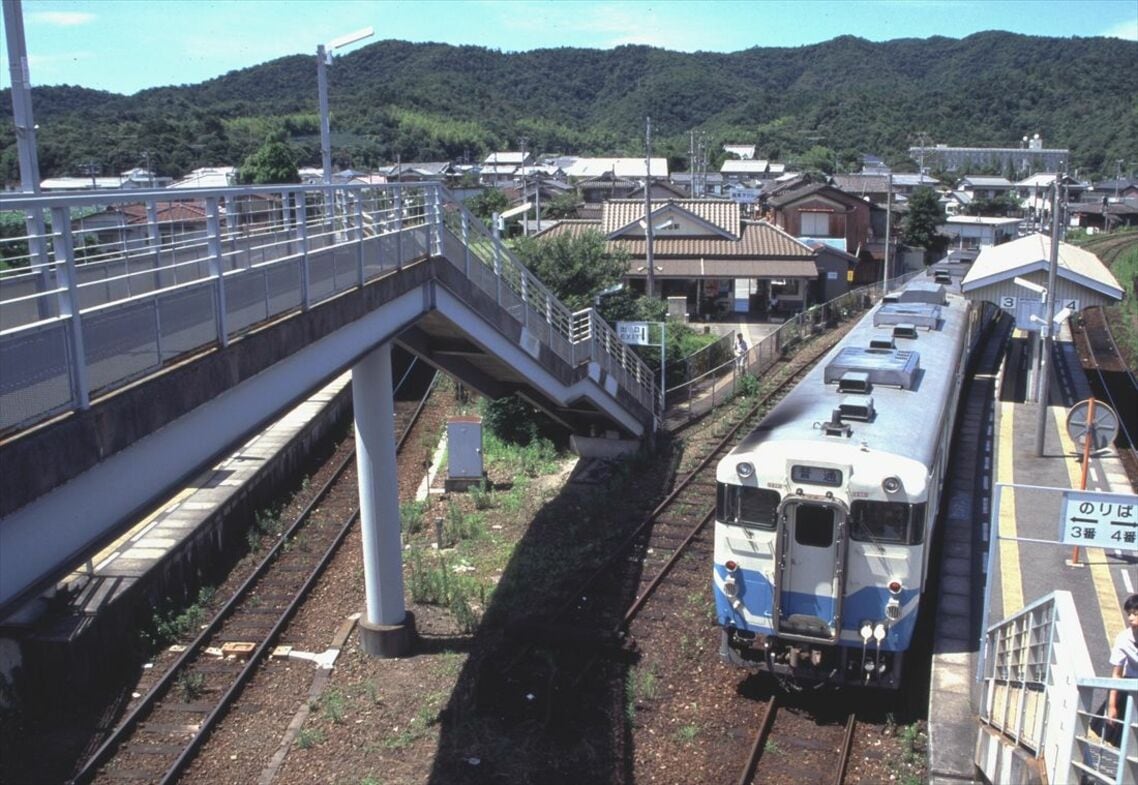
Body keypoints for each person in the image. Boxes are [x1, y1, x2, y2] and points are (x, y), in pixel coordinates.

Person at [1105, 594, 1138, 745]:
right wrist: (1111, 706)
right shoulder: (1123, 639)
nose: (1131, 618)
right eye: (1129, 614)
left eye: (1135, 614)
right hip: (1130, 687)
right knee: (1124, 738)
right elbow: (1116, 674)